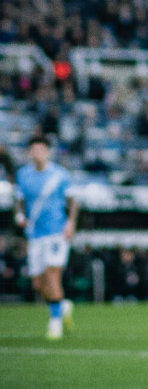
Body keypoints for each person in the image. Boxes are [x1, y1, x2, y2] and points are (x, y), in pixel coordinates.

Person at [14, 135, 77, 339]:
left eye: (41, 150)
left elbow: (72, 201)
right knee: (38, 284)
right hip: (35, 234)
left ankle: (55, 322)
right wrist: (19, 216)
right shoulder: (23, 175)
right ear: (29, 153)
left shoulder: (59, 175)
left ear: (48, 152)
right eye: (34, 150)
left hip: (56, 233)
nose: (38, 154)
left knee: (52, 275)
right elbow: (18, 200)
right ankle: (62, 306)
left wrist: (71, 223)